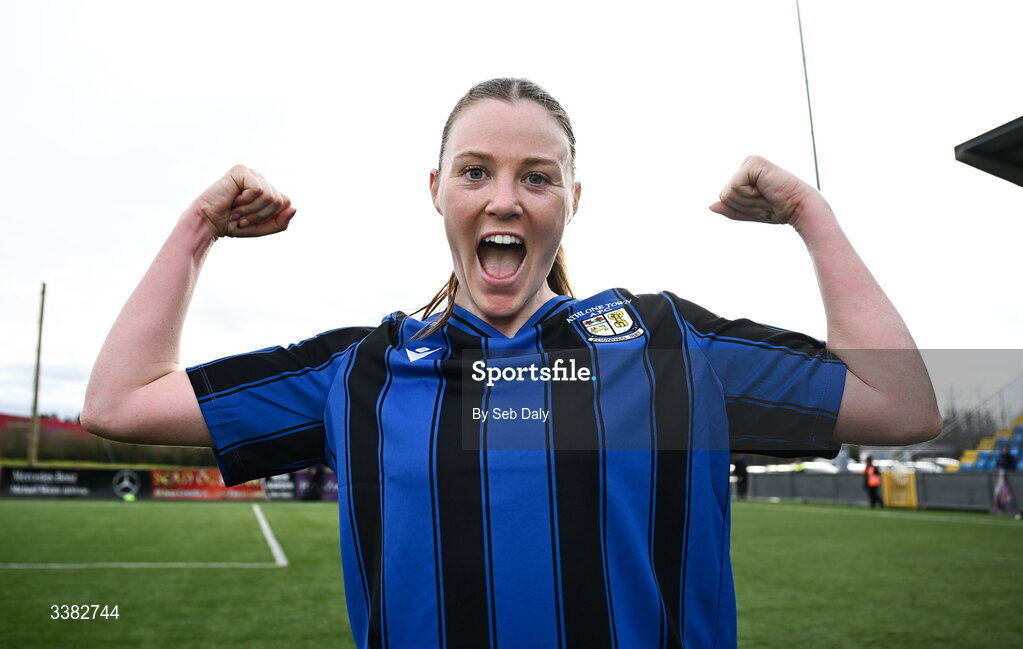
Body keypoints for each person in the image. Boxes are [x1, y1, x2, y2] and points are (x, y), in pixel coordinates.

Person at [82, 78, 942, 649]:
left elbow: (900, 405)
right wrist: (198, 228)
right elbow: (119, 402)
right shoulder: (360, 371)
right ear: (435, 190)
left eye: (536, 176)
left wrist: (809, 213)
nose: (503, 198)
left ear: (572, 200)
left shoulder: (672, 348)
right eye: (474, 172)